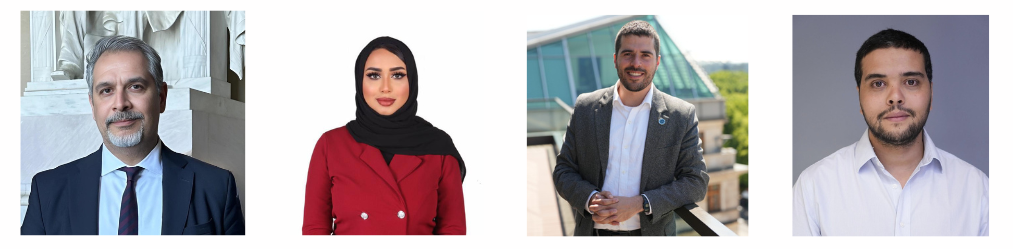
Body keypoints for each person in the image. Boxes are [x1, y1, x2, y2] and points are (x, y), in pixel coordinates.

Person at [21, 35, 245, 235]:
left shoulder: (217, 187)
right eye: (106, 91)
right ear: (92, 104)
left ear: (161, 97)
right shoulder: (47, 190)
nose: (120, 104)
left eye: (135, 86)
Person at [793, 29, 989, 236]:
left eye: (911, 82)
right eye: (878, 84)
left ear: (931, 92)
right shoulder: (813, 187)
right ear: (859, 96)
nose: (895, 97)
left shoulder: (978, 190)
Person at [552, 20, 709, 236]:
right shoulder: (585, 107)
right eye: (628, 54)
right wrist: (591, 200)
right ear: (615, 59)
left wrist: (640, 203)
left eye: (645, 55)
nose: (636, 63)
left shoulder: (680, 115)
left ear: (657, 62)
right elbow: (563, 170)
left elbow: (696, 182)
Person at [302, 36, 466, 235]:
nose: (385, 87)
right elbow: (315, 230)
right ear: (359, 81)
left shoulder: (439, 147)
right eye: (373, 76)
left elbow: (453, 231)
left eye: (397, 75)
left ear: (412, 81)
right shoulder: (331, 145)